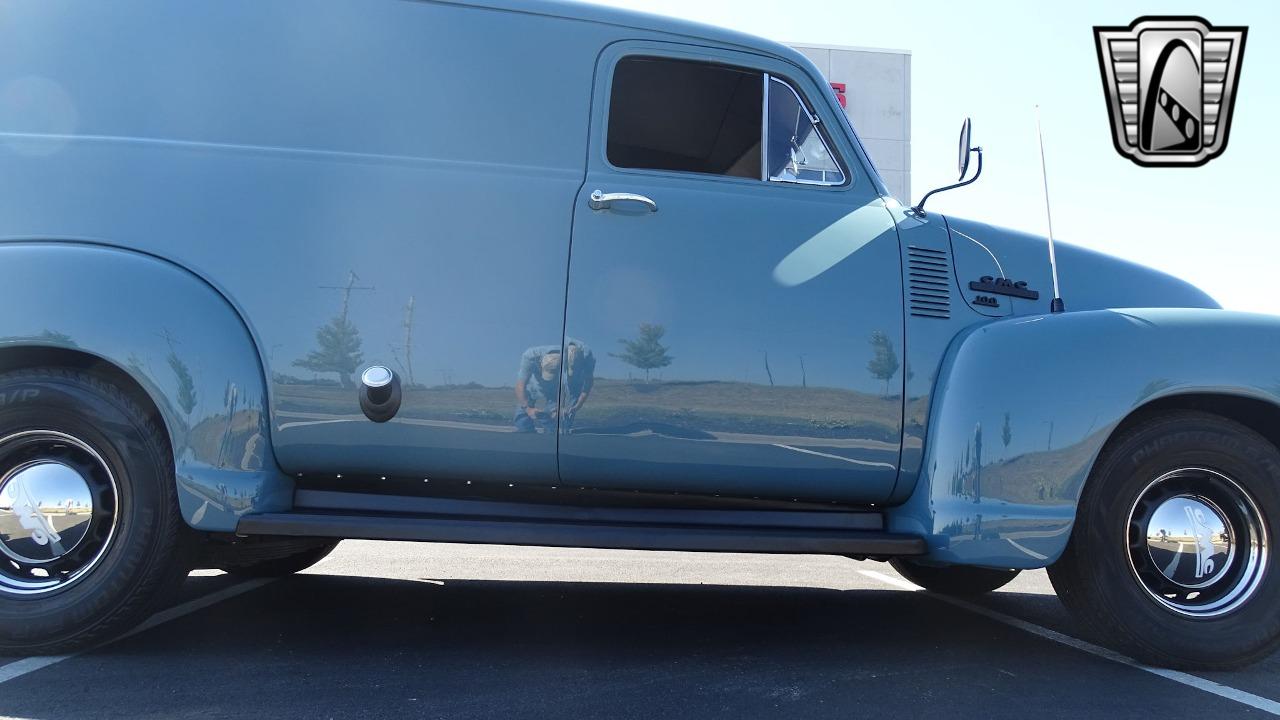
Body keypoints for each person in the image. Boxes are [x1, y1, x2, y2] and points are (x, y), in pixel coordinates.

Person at [513, 339, 595, 433]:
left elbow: (585, 384)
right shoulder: (530, 356)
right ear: (540, 362)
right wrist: (528, 409)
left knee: (555, 423)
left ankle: (551, 439)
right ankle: (527, 439)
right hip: (533, 389)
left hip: (557, 391)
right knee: (521, 421)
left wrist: (574, 407)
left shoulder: (581, 357)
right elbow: (520, 385)